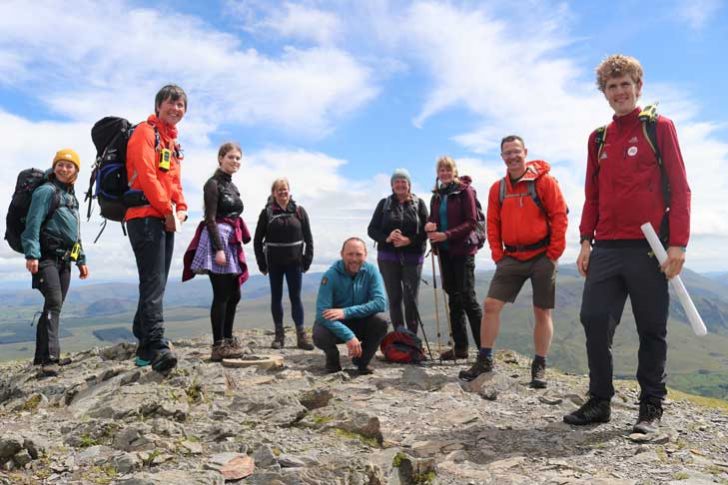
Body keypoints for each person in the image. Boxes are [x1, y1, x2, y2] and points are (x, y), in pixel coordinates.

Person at [563, 55, 691, 434]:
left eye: (625, 84)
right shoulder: (598, 138)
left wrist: (679, 244)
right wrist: (585, 240)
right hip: (606, 248)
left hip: (650, 247)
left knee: (652, 328)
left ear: (638, 86)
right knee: (594, 319)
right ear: (604, 93)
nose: (619, 91)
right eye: (611, 86)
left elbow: (680, 189)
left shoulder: (659, 128)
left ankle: (650, 407)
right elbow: (593, 195)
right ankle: (600, 401)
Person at [459, 136, 568, 387]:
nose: (512, 157)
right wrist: (498, 254)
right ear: (502, 157)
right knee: (490, 305)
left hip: (543, 254)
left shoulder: (545, 182)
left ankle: (539, 365)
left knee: (542, 311)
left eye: (516, 152)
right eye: (507, 153)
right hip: (512, 256)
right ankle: (485, 359)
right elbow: (493, 223)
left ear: (525, 152)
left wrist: (554, 252)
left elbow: (559, 215)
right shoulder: (498, 189)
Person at [125, 84, 188, 372]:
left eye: (181, 106)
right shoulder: (144, 132)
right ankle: (158, 345)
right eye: (171, 103)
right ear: (158, 105)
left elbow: (174, 182)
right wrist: (167, 209)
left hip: (165, 218)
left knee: (157, 283)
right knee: (152, 282)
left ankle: (143, 346)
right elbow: (147, 176)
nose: (177, 109)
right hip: (145, 217)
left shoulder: (172, 143)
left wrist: (182, 208)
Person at [21, 148, 89, 377]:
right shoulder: (45, 192)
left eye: (70, 166)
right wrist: (32, 254)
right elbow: (32, 223)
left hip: (65, 260)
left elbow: (75, 232)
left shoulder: (71, 198)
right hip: (46, 258)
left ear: (76, 171)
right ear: (54, 166)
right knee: (54, 303)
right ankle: (51, 358)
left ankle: (41, 357)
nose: (64, 168)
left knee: (52, 306)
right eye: (60, 164)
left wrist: (81, 259)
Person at [183, 142, 251, 361]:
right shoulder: (212, 184)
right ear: (220, 158)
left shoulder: (232, 186)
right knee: (222, 294)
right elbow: (209, 219)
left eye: (238, 158)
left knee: (235, 294)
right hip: (218, 239)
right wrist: (218, 250)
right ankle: (218, 345)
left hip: (231, 239)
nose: (235, 161)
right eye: (231, 157)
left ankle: (229, 339)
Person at [424, 156, 483, 360]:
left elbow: (471, 222)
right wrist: (430, 225)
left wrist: (446, 235)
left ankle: (485, 352)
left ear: (455, 171)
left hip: (463, 251)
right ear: (438, 173)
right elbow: (434, 219)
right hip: (446, 252)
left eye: (448, 170)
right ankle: (461, 348)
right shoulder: (437, 196)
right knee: (454, 299)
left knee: (468, 298)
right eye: (441, 170)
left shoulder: (465, 191)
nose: (445, 173)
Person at [254, 178, 314, 350]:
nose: (282, 192)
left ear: (290, 191)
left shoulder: (300, 212)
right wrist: (261, 264)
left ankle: (301, 336)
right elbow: (258, 240)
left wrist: (307, 260)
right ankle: (279, 336)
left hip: (295, 262)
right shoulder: (267, 213)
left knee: (296, 297)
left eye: (285, 189)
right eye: (279, 190)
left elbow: (308, 238)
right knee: (276, 297)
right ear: (273, 193)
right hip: (274, 263)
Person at [312, 237, 388, 375]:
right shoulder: (330, 275)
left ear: (365, 255)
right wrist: (349, 336)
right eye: (350, 254)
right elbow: (322, 313)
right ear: (342, 254)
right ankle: (333, 358)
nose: (354, 258)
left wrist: (346, 312)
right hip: (338, 325)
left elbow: (380, 303)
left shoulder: (371, 271)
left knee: (381, 321)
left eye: (358, 254)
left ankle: (362, 361)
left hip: (360, 320)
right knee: (320, 333)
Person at [367, 169, 429, 334]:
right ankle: (400, 335)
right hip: (388, 257)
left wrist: (408, 240)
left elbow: (426, 231)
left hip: (413, 257)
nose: (400, 184)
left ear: (409, 185)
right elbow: (372, 229)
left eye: (403, 181)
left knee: (411, 300)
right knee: (394, 298)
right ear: (392, 185)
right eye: (397, 182)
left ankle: (412, 337)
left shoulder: (419, 204)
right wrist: (387, 237)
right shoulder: (383, 204)